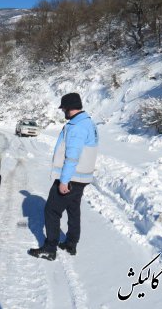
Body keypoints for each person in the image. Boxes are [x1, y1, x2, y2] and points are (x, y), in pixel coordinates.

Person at [28, 93, 98, 260]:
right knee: (73, 210)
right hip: (81, 178)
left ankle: (50, 248)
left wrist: (64, 181)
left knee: (51, 211)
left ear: (69, 108)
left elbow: (72, 156)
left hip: (71, 178)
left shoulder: (77, 127)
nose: (63, 112)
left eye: (64, 109)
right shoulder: (88, 122)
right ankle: (71, 243)